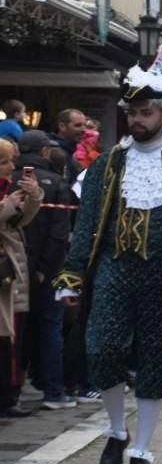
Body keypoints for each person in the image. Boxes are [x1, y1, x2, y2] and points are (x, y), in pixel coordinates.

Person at [52, 67, 162, 464]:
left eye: (146, 112)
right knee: (102, 349)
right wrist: (72, 275)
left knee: (156, 359)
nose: (138, 120)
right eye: (133, 113)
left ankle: (142, 449)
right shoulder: (108, 164)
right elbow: (87, 223)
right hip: (113, 269)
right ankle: (116, 430)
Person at [15, 130, 75, 410]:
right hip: (48, 269)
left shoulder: (10, 178)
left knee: (16, 329)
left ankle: (13, 392)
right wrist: (46, 269)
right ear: (43, 151)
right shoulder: (57, 182)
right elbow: (59, 233)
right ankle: (53, 391)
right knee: (51, 327)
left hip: (14, 267)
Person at [0, 139, 42, 417]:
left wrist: (33, 197)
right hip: (6, 268)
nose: (11, 167)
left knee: (11, 336)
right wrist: (7, 206)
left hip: (10, 271)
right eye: (5, 162)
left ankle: (8, 395)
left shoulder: (7, 188)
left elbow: (20, 221)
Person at [50, 108, 87, 185]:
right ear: (62, 126)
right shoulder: (53, 151)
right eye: (78, 125)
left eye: (85, 125)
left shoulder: (70, 151)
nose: (83, 130)